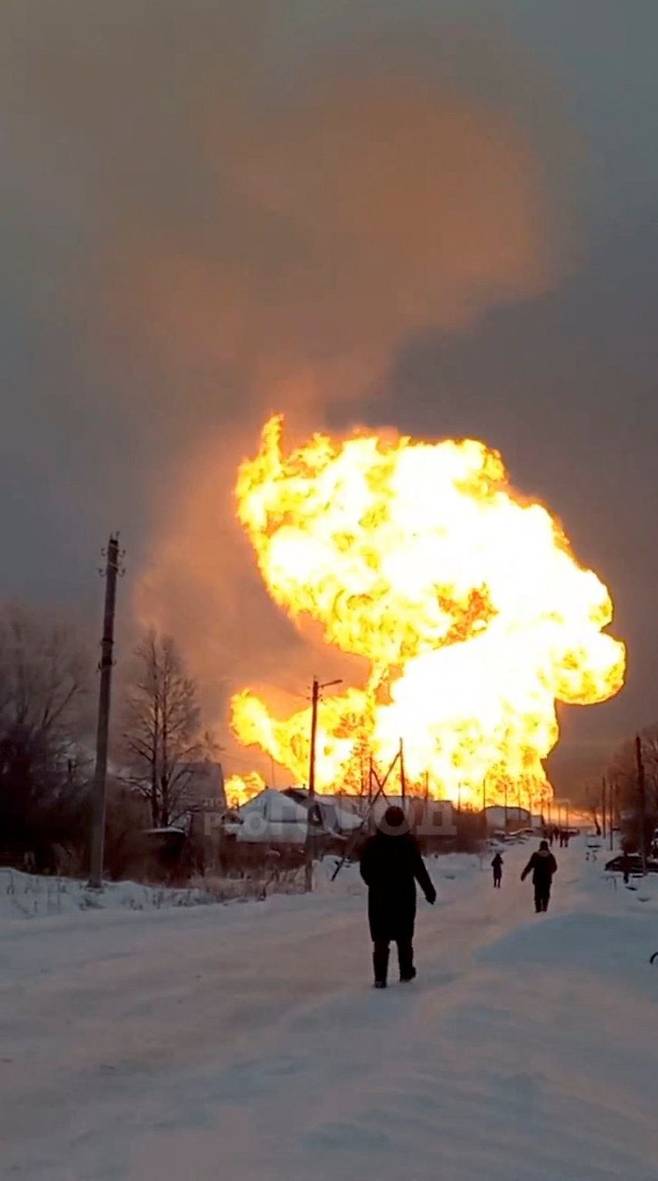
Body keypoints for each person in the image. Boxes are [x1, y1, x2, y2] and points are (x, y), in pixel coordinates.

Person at [359, 805, 436, 988]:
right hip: (404, 897)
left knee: (380, 940)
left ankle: (380, 978)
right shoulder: (409, 843)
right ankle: (406, 972)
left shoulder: (372, 843)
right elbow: (419, 869)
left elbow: (364, 869)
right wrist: (429, 891)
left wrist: (374, 882)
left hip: (379, 898)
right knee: (404, 938)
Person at [521, 840, 557, 913]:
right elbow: (555, 867)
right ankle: (544, 908)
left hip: (537, 879)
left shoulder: (535, 855)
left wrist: (524, 874)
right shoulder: (550, 856)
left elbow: (529, 866)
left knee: (538, 895)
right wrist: (550, 872)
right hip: (547, 879)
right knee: (546, 894)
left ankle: (538, 909)